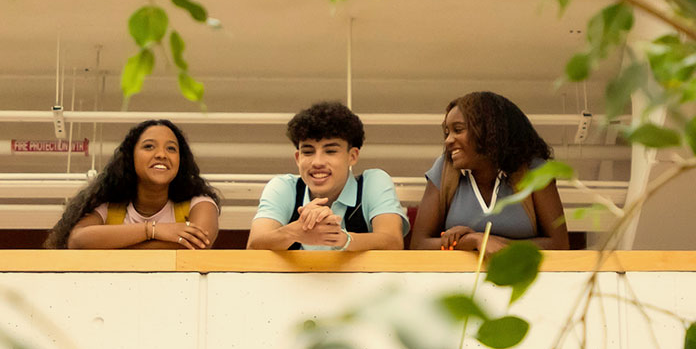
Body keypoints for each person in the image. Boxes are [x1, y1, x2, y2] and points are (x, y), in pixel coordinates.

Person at [409, 92, 570, 252]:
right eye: (447, 132)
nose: (448, 140)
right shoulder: (445, 170)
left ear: (489, 131)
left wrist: (491, 241)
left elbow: (559, 245)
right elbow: (419, 245)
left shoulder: (534, 170)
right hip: (460, 278)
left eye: (458, 130)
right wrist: (472, 241)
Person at [248, 101, 407, 251]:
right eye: (308, 152)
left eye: (330, 151)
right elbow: (254, 246)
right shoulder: (284, 187)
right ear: (298, 158)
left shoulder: (373, 182)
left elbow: (393, 242)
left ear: (352, 156)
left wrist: (340, 239)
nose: (317, 162)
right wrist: (296, 231)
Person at [45, 120, 220, 249]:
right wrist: (152, 230)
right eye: (149, 146)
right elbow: (78, 240)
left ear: (181, 161)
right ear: (131, 158)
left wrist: (112, 247)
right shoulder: (110, 207)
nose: (161, 154)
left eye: (171, 148)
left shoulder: (198, 204)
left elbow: (197, 245)